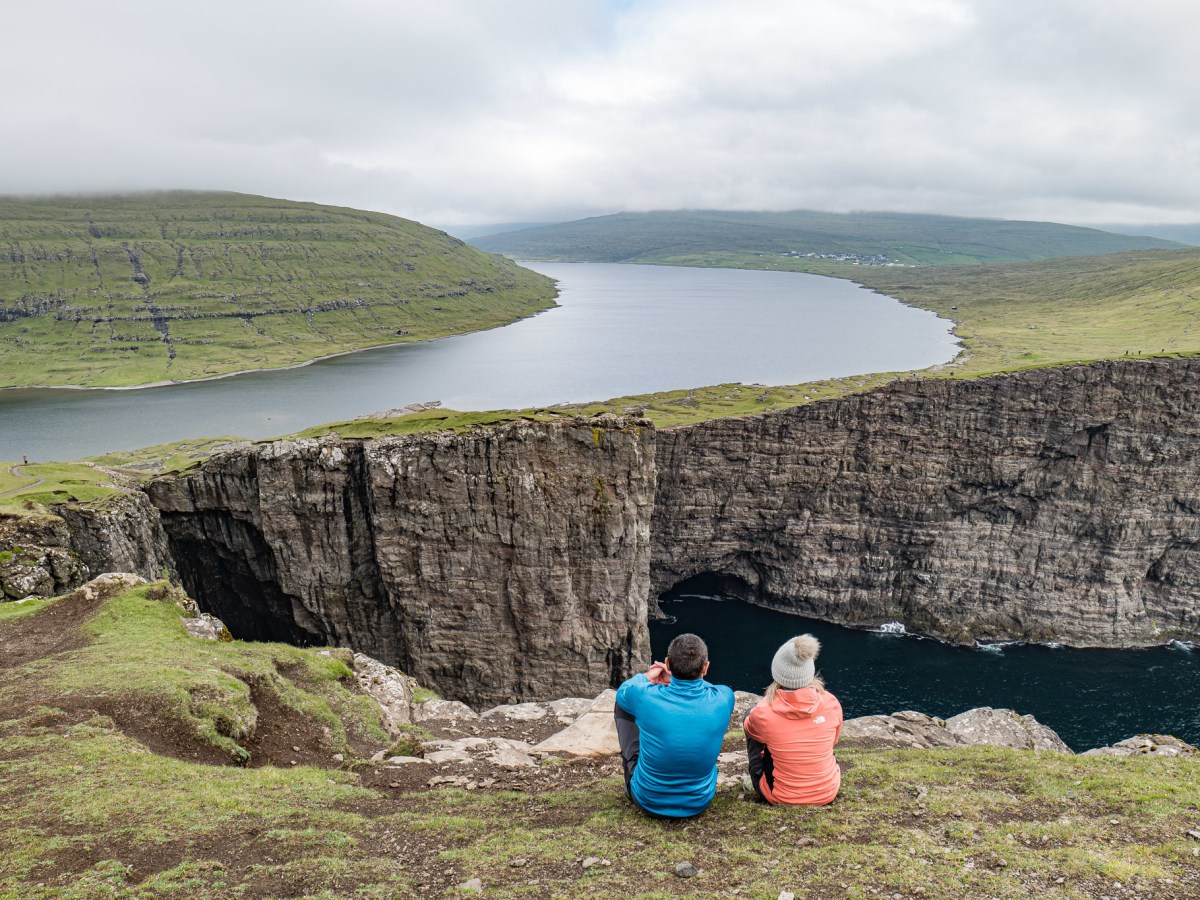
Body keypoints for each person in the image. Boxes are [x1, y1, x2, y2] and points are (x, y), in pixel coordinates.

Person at [614, 633, 735, 818]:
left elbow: (623, 691)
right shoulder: (724, 698)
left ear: (668, 664)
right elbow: (709, 687)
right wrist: (685, 678)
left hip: (647, 800)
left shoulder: (644, 696)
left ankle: (633, 766)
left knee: (623, 705)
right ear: (706, 667)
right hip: (700, 801)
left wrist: (648, 676)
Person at [743, 634, 843, 806]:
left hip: (782, 797)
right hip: (828, 791)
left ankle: (756, 778)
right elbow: (832, 741)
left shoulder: (763, 713)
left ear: (777, 672)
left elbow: (751, 729)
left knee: (749, 716)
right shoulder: (831, 702)